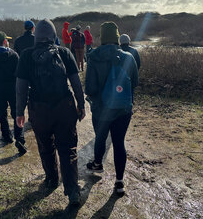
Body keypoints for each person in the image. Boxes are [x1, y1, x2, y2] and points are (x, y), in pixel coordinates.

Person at [16, 18, 85, 206]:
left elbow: (21, 88)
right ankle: (72, 192)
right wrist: (81, 105)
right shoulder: (64, 53)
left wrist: (19, 112)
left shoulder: (26, 56)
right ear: (54, 35)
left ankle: (51, 180)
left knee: (45, 147)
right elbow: (76, 83)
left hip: (39, 110)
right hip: (64, 107)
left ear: (36, 36)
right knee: (68, 148)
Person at [85, 22, 138, 196]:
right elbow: (134, 83)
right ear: (117, 37)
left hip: (101, 109)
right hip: (123, 108)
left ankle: (97, 164)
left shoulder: (93, 56)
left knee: (100, 137)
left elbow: (90, 88)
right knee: (119, 142)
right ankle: (119, 182)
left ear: (102, 37)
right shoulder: (128, 57)